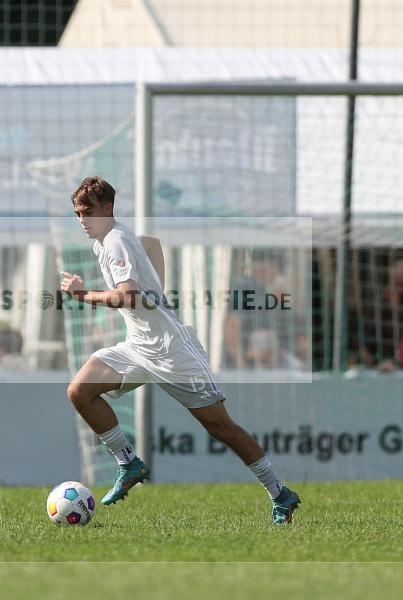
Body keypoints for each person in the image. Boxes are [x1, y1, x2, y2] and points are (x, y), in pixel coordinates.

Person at [59, 176, 300, 524]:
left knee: (222, 428)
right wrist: (157, 290)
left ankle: (281, 494)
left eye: (88, 212)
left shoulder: (114, 241)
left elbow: (126, 294)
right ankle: (128, 464)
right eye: (78, 214)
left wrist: (84, 295)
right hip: (139, 346)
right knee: (80, 391)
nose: (82, 221)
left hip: (173, 352)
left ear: (107, 208)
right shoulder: (110, 239)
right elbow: (151, 244)